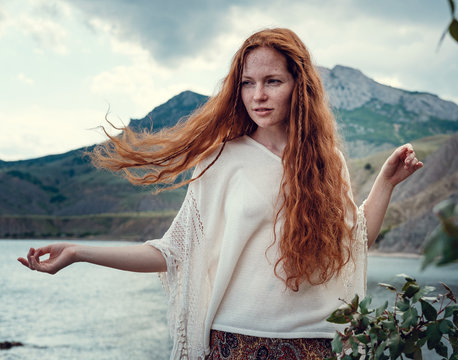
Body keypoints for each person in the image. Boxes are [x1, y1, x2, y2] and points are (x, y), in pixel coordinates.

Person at [18, 28, 423, 360]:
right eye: (247, 83)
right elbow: (172, 254)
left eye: (272, 81)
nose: (257, 95)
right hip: (236, 345)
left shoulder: (326, 161)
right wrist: (78, 253)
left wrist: (385, 183)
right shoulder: (220, 159)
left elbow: (353, 244)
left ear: (298, 86)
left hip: (318, 345)